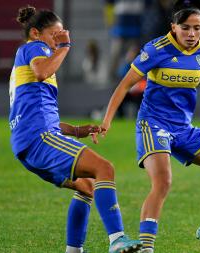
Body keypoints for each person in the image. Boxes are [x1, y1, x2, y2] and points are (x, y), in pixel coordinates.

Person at [101, 1, 200, 252]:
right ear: (173, 27)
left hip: (183, 129)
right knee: (163, 181)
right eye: (185, 28)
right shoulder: (156, 49)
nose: (191, 34)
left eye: (197, 28)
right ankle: (146, 248)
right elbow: (124, 85)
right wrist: (107, 120)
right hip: (153, 124)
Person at [9, 6, 142, 253]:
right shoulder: (35, 49)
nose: (59, 39)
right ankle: (117, 240)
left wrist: (77, 130)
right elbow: (42, 72)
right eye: (55, 35)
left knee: (87, 186)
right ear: (36, 33)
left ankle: (74, 251)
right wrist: (65, 47)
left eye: (62, 35)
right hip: (39, 139)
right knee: (104, 168)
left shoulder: (26, 61)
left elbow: (38, 113)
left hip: (28, 142)